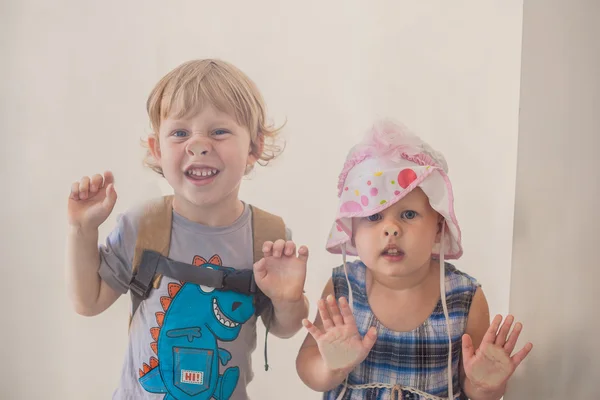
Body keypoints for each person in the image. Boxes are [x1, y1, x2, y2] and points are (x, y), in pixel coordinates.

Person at [66, 59, 309, 400]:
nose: (198, 144)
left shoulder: (268, 234)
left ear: (253, 147)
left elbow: (285, 328)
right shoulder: (145, 224)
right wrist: (82, 231)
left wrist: (289, 299)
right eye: (180, 133)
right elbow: (87, 302)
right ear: (157, 149)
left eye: (218, 131)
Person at [296, 120, 532, 400]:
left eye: (408, 214)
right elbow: (307, 364)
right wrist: (331, 368)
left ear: (438, 227)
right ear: (352, 229)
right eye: (374, 216)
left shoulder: (464, 297)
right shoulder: (343, 288)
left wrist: (484, 385)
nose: (391, 228)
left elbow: (473, 387)